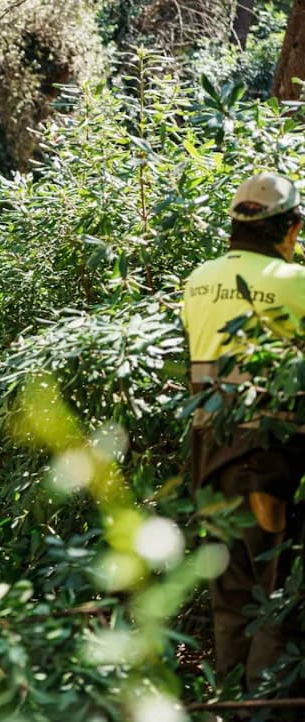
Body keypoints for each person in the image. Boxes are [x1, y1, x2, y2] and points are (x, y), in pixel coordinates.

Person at [181, 172, 305, 691]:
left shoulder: (197, 281)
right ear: (290, 228)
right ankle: (267, 708)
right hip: (268, 457)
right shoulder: (294, 283)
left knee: (231, 594)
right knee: (275, 594)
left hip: (209, 453)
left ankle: (228, 701)